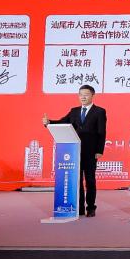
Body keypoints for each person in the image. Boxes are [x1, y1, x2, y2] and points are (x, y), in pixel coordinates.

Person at [42, 84, 106, 217]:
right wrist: (49, 122)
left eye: (86, 94)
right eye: (81, 94)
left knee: (90, 180)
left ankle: (91, 207)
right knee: (77, 180)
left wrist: (99, 150)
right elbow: (63, 122)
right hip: (75, 152)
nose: (83, 97)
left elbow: (102, 132)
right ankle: (80, 207)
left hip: (91, 152)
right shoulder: (74, 111)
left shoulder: (99, 111)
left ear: (92, 95)